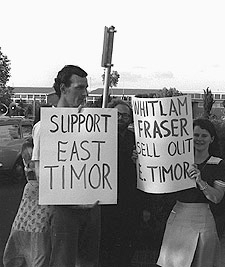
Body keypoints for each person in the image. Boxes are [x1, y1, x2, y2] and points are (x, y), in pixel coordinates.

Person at [32, 65, 101, 266]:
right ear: (63, 88)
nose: (85, 93)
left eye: (86, 87)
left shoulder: (91, 121)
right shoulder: (45, 126)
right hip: (64, 210)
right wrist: (71, 202)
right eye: (79, 87)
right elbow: (40, 173)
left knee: (89, 261)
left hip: (93, 205)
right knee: (63, 261)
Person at [157, 118, 225, 267]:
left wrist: (201, 182)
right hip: (178, 217)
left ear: (212, 139)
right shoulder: (178, 160)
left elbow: (217, 197)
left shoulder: (218, 164)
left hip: (202, 220)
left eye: (204, 136)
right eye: (196, 135)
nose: (199, 139)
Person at [100, 99, 140, 267]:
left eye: (125, 115)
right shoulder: (99, 136)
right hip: (105, 201)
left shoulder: (136, 138)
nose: (121, 118)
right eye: (117, 114)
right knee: (105, 247)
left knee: (126, 247)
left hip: (130, 200)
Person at [3, 137, 53, 267]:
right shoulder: (29, 187)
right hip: (36, 195)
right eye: (27, 163)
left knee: (38, 238)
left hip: (44, 197)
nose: (29, 168)